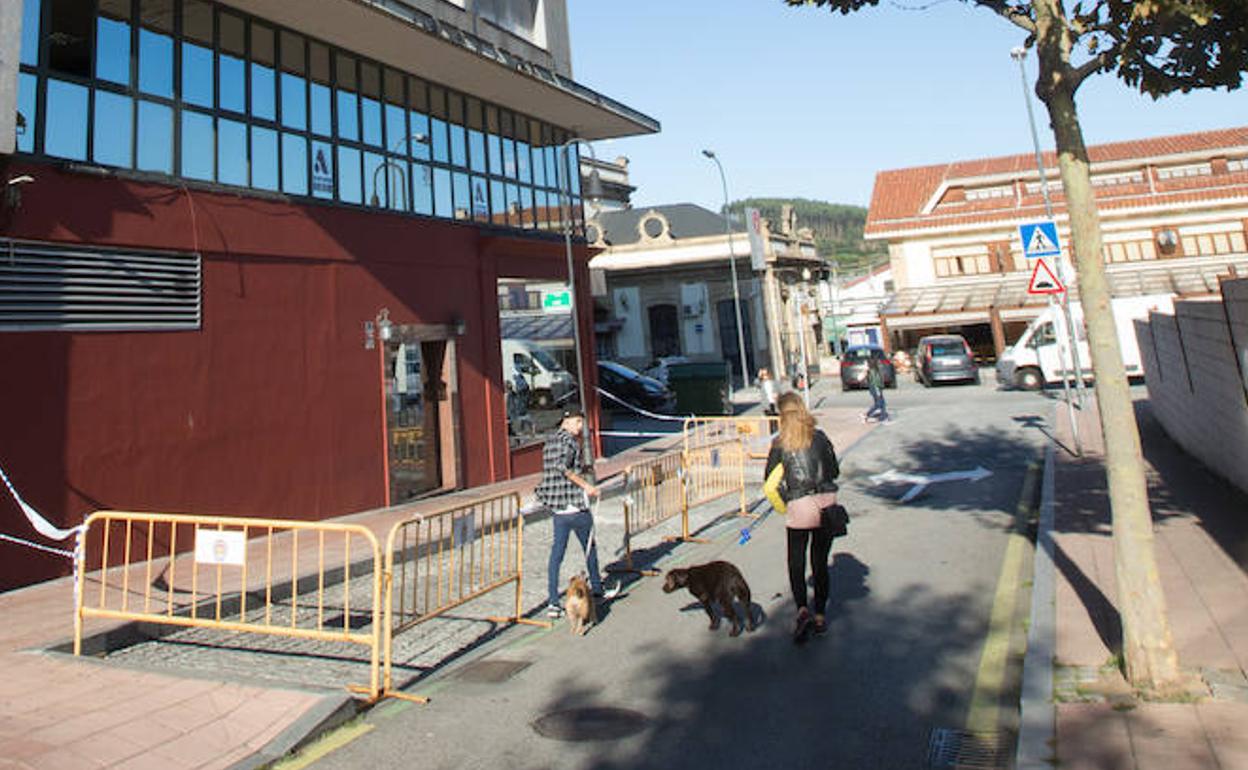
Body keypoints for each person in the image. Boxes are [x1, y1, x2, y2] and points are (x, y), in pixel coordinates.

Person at [764, 392, 841, 641]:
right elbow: (835, 471)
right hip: (827, 503)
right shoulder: (820, 437)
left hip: (799, 504)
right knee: (820, 562)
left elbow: (769, 484)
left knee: (796, 562)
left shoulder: (780, 444)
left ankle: (802, 609)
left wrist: (784, 506)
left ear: (782, 415)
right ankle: (820, 615)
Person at [535, 408, 609, 617]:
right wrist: (587, 486)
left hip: (558, 507)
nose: (580, 428)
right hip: (575, 505)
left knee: (557, 554)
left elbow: (554, 469)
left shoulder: (549, 441)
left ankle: (552, 600)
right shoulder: (568, 442)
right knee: (589, 548)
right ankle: (596, 589)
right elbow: (563, 468)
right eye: (578, 422)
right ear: (567, 422)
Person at [865, 356, 889, 423]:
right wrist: (878, 391)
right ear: (875, 363)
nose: (880, 363)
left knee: (882, 403)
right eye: (878, 362)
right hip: (876, 388)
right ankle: (868, 414)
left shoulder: (874, 370)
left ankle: (883, 417)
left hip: (876, 388)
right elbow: (876, 382)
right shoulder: (873, 371)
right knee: (879, 404)